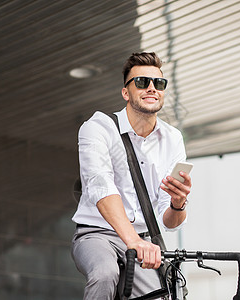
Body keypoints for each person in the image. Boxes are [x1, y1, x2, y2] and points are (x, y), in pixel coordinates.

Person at [71, 52, 191, 299]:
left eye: (158, 83)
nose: (151, 88)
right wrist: (133, 241)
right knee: (104, 273)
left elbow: (168, 222)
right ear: (126, 92)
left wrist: (178, 204)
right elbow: (100, 187)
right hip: (97, 234)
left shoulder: (173, 138)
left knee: (162, 294)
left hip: (145, 241)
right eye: (141, 82)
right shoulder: (97, 128)